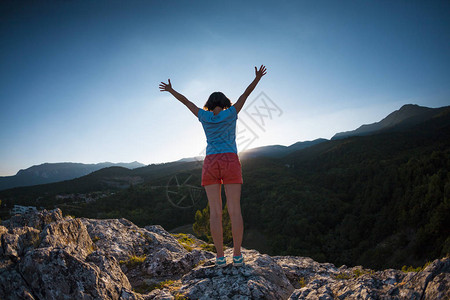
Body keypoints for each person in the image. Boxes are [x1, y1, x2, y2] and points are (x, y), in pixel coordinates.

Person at [159, 65, 267, 267]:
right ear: (225, 102)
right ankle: (236, 255)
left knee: (215, 212)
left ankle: (219, 257)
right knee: (234, 210)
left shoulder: (204, 116)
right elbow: (246, 93)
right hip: (230, 160)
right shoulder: (232, 112)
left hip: (210, 162)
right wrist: (258, 78)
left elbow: (187, 102)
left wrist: (171, 90)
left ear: (209, 103)